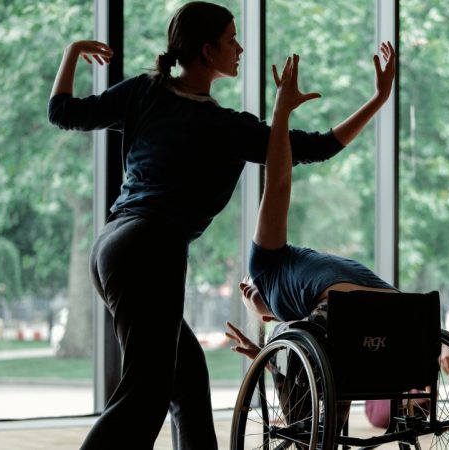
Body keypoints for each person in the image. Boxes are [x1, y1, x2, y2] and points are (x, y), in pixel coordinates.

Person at [48, 2, 397, 448]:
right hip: (152, 249)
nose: (241, 47)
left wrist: (72, 52)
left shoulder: (145, 91)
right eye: (232, 40)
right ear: (208, 51)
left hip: (113, 246)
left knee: (187, 382)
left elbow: (62, 112)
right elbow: (315, 147)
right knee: (145, 396)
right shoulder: (223, 127)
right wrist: (377, 100)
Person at [224, 46, 449, 431]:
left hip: (345, 321)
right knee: (311, 342)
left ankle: (310, 431)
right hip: (407, 321)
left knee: (298, 339)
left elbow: (278, 183)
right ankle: (373, 416)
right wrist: (380, 98)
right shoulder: (310, 276)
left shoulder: (266, 264)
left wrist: (281, 113)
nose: (247, 291)